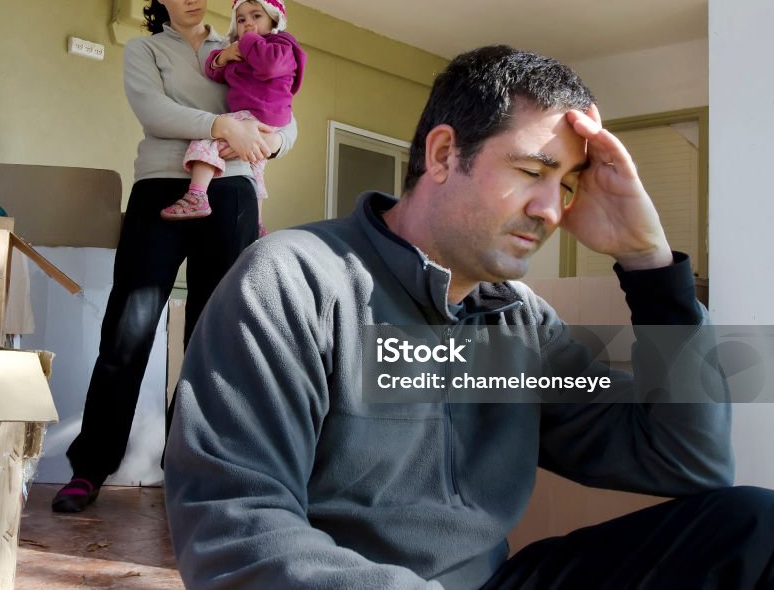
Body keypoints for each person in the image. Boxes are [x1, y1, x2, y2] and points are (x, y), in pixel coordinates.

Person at [164, 45, 774, 588]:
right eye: (533, 172)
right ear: (443, 153)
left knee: (755, 526)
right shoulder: (294, 281)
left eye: (566, 185)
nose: (550, 209)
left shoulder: (521, 327)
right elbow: (235, 530)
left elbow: (689, 460)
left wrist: (651, 267)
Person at [51, 0, 297, 513]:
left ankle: (193, 471)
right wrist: (220, 124)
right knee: (128, 330)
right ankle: (90, 467)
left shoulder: (240, 41)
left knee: (213, 338)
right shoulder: (144, 50)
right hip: (161, 189)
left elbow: (284, 113)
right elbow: (153, 113)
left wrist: (269, 140)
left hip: (231, 192)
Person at [160, 0, 306, 237]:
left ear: (274, 18)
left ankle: (196, 195)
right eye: (241, 19)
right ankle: (258, 224)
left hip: (261, 112)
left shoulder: (281, 44)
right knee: (254, 168)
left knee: (207, 140)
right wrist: (223, 56)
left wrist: (247, 40)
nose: (248, 24)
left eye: (256, 16)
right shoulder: (243, 51)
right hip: (258, 119)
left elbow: (271, 65)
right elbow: (216, 72)